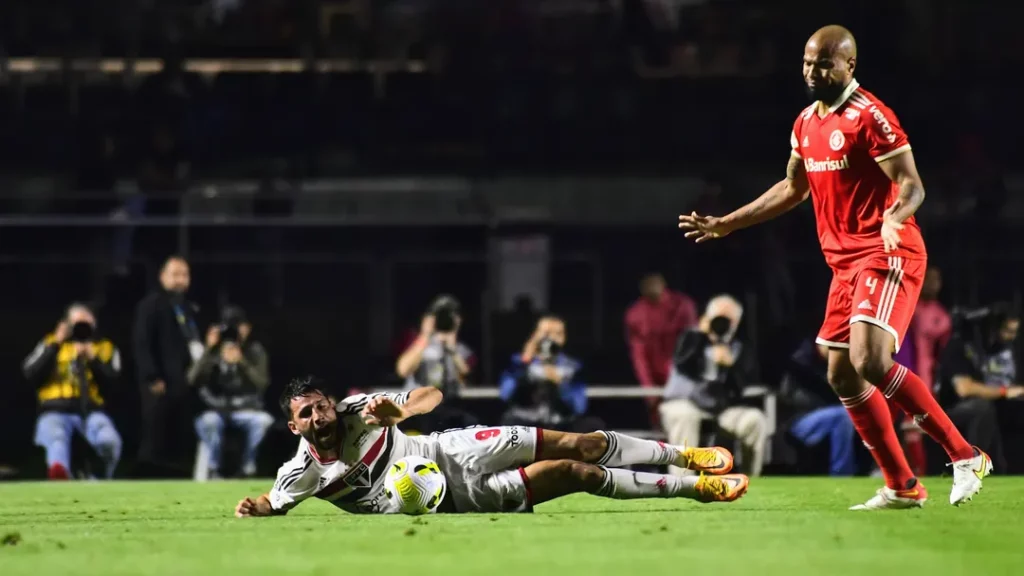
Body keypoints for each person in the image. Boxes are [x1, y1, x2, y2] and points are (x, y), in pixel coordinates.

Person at [678, 24, 988, 509]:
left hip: (888, 250)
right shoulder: (805, 123)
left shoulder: (871, 116)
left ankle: (965, 455)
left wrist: (896, 217)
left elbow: (912, 183)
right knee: (842, 375)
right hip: (843, 263)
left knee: (870, 361)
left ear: (849, 65)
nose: (812, 70)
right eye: (807, 62)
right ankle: (902, 485)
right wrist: (729, 224)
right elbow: (792, 188)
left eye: (824, 63)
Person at [233, 376, 748, 517]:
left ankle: (682, 456)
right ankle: (695, 490)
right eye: (306, 413)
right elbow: (271, 504)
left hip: (452, 452)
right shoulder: (300, 472)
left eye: (319, 405)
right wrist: (251, 507)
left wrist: (403, 411)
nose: (319, 415)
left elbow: (431, 394)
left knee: (584, 443)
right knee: (577, 474)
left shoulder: (357, 410)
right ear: (294, 427)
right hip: (460, 501)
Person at [659, 295, 767, 477]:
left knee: (754, 419)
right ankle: (682, 482)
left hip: (720, 408)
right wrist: (703, 337)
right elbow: (682, 362)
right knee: (686, 416)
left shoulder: (739, 349)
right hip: (683, 402)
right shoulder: (690, 338)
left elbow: (741, 386)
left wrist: (730, 366)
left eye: (729, 319)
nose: (723, 323)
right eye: (718, 317)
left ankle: (750, 481)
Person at [23, 304, 123, 479]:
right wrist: (55, 344)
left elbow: (114, 382)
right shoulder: (51, 342)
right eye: (77, 324)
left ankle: (98, 482)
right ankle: (60, 478)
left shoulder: (104, 347)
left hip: (91, 410)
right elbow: (30, 373)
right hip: (54, 409)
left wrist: (93, 359)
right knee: (56, 439)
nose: (81, 329)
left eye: (87, 324)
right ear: (66, 324)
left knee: (109, 440)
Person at [133, 255, 203, 477]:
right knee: (155, 432)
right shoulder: (150, 305)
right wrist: (151, 377)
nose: (180, 280)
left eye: (184, 275)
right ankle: (147, 476)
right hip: (160, 381)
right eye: (175, 274)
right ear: (162, 277)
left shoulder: (189, 308)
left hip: (184, 382)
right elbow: (141, 344)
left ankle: (178, 476)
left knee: (180, 434)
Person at [189, 306, 273, 478]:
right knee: (209, 422)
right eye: (230, 326)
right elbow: (192, 379)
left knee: (263, 421)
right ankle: (214, 469)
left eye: (239, 326)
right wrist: (208, 349)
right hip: (215, 410)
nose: (234, 332)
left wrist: (241, 362)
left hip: (246, 410)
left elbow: (262, 383)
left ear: (248, 328)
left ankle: (247, 467)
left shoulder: (254, 351)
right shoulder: (212, 351)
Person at [499, 315, 603, 432]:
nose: (550, 339)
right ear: (535, 335)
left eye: (557, 334)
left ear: (564, 338)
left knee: (592, 426)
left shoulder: (573, 367)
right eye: (546, 333)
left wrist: (561, 384)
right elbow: (506, 394)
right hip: (526, 422)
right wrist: (525, 365)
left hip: (560, 423)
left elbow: (579, 407)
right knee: (509, 422)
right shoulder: (519, 362)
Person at [396, 295, 478, 432]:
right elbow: (403, 370)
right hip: (418, 409)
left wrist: (452, 348)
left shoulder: (461, 350)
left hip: (447, 409)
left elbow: (467, 376)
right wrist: (425, 335)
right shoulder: (419, 345)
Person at [625, 273, 698, 427]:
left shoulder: (683, 306)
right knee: (661, 431)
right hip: (656, 382)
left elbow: (694, 345)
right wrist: (649, 392)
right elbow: (639, 357)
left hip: (687, 377)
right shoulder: (635, 315)